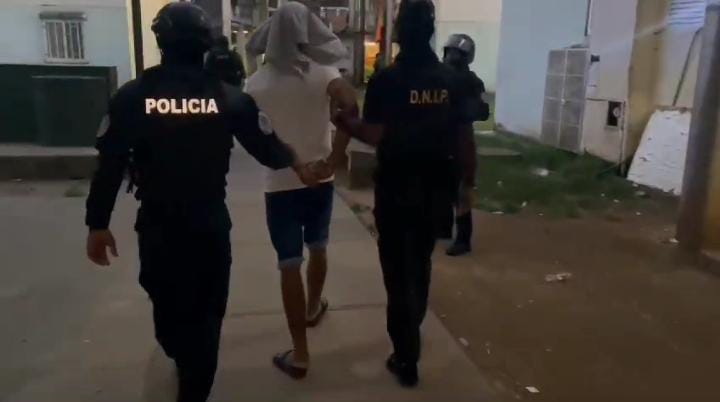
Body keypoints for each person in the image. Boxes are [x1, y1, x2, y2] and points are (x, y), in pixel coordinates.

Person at [84, 3, 322, 402]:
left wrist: (98, 224)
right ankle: (194, 374)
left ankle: (187, 370)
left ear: (161, 42)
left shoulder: (133, 97)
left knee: (168, 313)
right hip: (208, 224)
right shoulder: (228, 98)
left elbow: (109, 164)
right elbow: (267, 147)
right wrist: (298, 163)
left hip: (159, 226)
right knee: (207, 318)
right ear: (205, 44)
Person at [332, 0, 477, 388]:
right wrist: (467, 183)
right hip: (437, 188)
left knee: (397, 274)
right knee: (421, 264)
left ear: (398, 32)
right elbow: (464, 137)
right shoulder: (450, 80)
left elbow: (374, 134)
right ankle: (410, 332)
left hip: (397, 190)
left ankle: (406, 355)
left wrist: (345, 122)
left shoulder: (387, 81)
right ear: (431, 31)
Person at [244, 1, 356, 379]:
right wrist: (335, 158)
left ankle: (301, 353)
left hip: (280, 185)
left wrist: (293, 164)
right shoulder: (323, 72)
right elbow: (350, 103)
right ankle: (312, 307)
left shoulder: (255, 84)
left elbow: (254, 137)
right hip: (320, 180)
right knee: (319, 245)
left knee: (289, 262)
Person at [442, 34, 490, 256]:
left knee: (462, 187)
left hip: (460, 137)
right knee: (442, 184)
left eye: (457, 54)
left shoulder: (470, 81)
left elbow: (480, 111)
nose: (452, 57)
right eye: (450, 52)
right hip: (442, 136)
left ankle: (463, 238)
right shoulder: (440, 76)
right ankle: (443, 228)